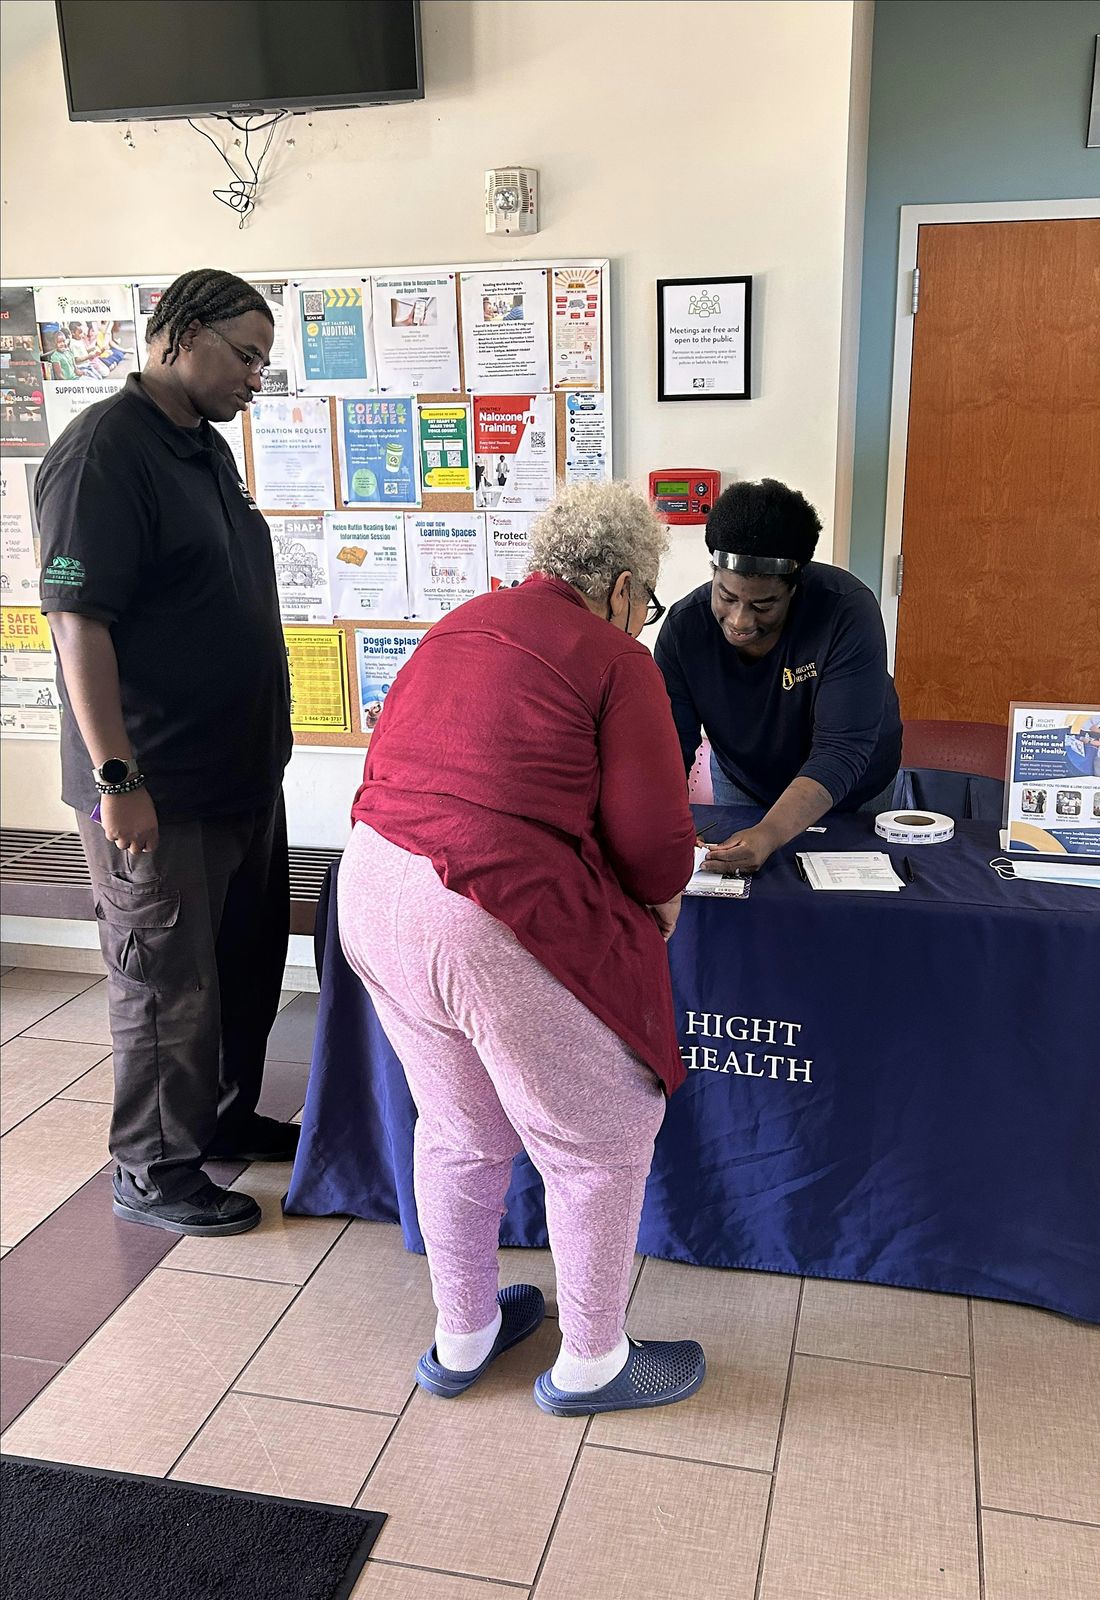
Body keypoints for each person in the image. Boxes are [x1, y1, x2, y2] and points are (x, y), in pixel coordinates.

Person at [339, 481, 705, 1417]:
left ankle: (462, 1336)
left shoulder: (462, 620)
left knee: (460, 1126)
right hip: (481, 907)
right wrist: (660, 904)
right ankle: (591, 1362)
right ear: (623, 586)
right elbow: (656, 838)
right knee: (600, 1138)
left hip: (372, 884)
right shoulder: (616, 657)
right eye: (648, 602)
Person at [37, 268, 295, 1239]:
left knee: (238, 965)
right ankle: (153, 1166)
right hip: (158, 786)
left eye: (264, 361)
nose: (255, 378)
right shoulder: (104, 452)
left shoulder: (202, 451)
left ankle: (221, 1116)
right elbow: (77, 622)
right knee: (164, 981)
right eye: (244, 354)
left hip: (236, 776)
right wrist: (118, 779)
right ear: (179, 335)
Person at [654, 478, 903, 874]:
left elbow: (840, 752)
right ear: (713, 572)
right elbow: (669, 749)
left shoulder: (846, 612)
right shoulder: (685, 629)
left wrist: (769, 833)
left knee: (848, 903)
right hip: (745, 781)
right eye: (727, 596)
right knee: (748, 891)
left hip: (853, 788)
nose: (739, 621)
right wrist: (664, 829)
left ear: (795, 587)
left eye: (763, 604)